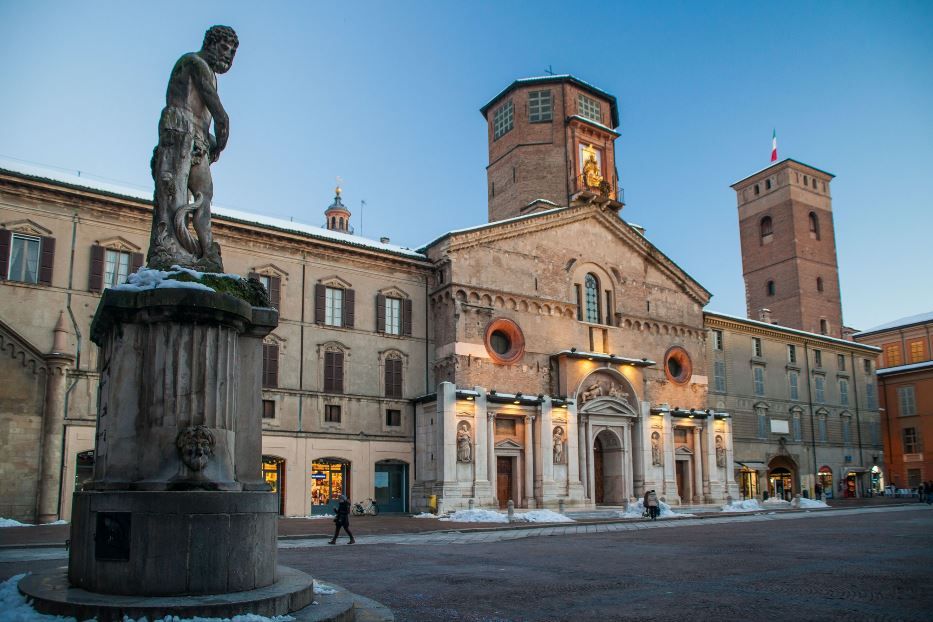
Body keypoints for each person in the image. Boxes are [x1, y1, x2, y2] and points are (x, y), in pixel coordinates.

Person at [149, 25, 239, 272]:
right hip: (178, 132)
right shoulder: (194, 63)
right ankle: (169, 249)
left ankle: (207, 251)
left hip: (198, 140)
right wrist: (220, 142)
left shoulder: (207, 71)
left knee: (204, 196)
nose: (228, 56)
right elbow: (220, 114)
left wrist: (211, 142)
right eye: (224, 48)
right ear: (209, 44)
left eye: (232, 53)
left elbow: (206, 118)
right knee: (173, 195)